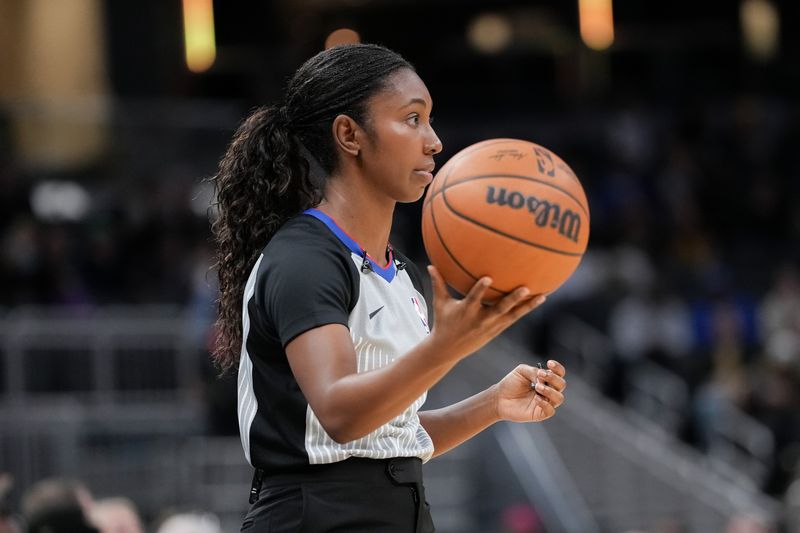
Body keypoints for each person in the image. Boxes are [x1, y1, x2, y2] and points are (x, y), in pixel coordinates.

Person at [211, 43, 567, 533]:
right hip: (315, 515)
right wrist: (447, 347)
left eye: (430, 119)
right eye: (412, 119)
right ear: (349, 134)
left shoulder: (402, 274)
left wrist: (492, 404)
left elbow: (387, 439)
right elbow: (340, 413)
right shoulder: (304, 258)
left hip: (402, 509)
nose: (435, 141)